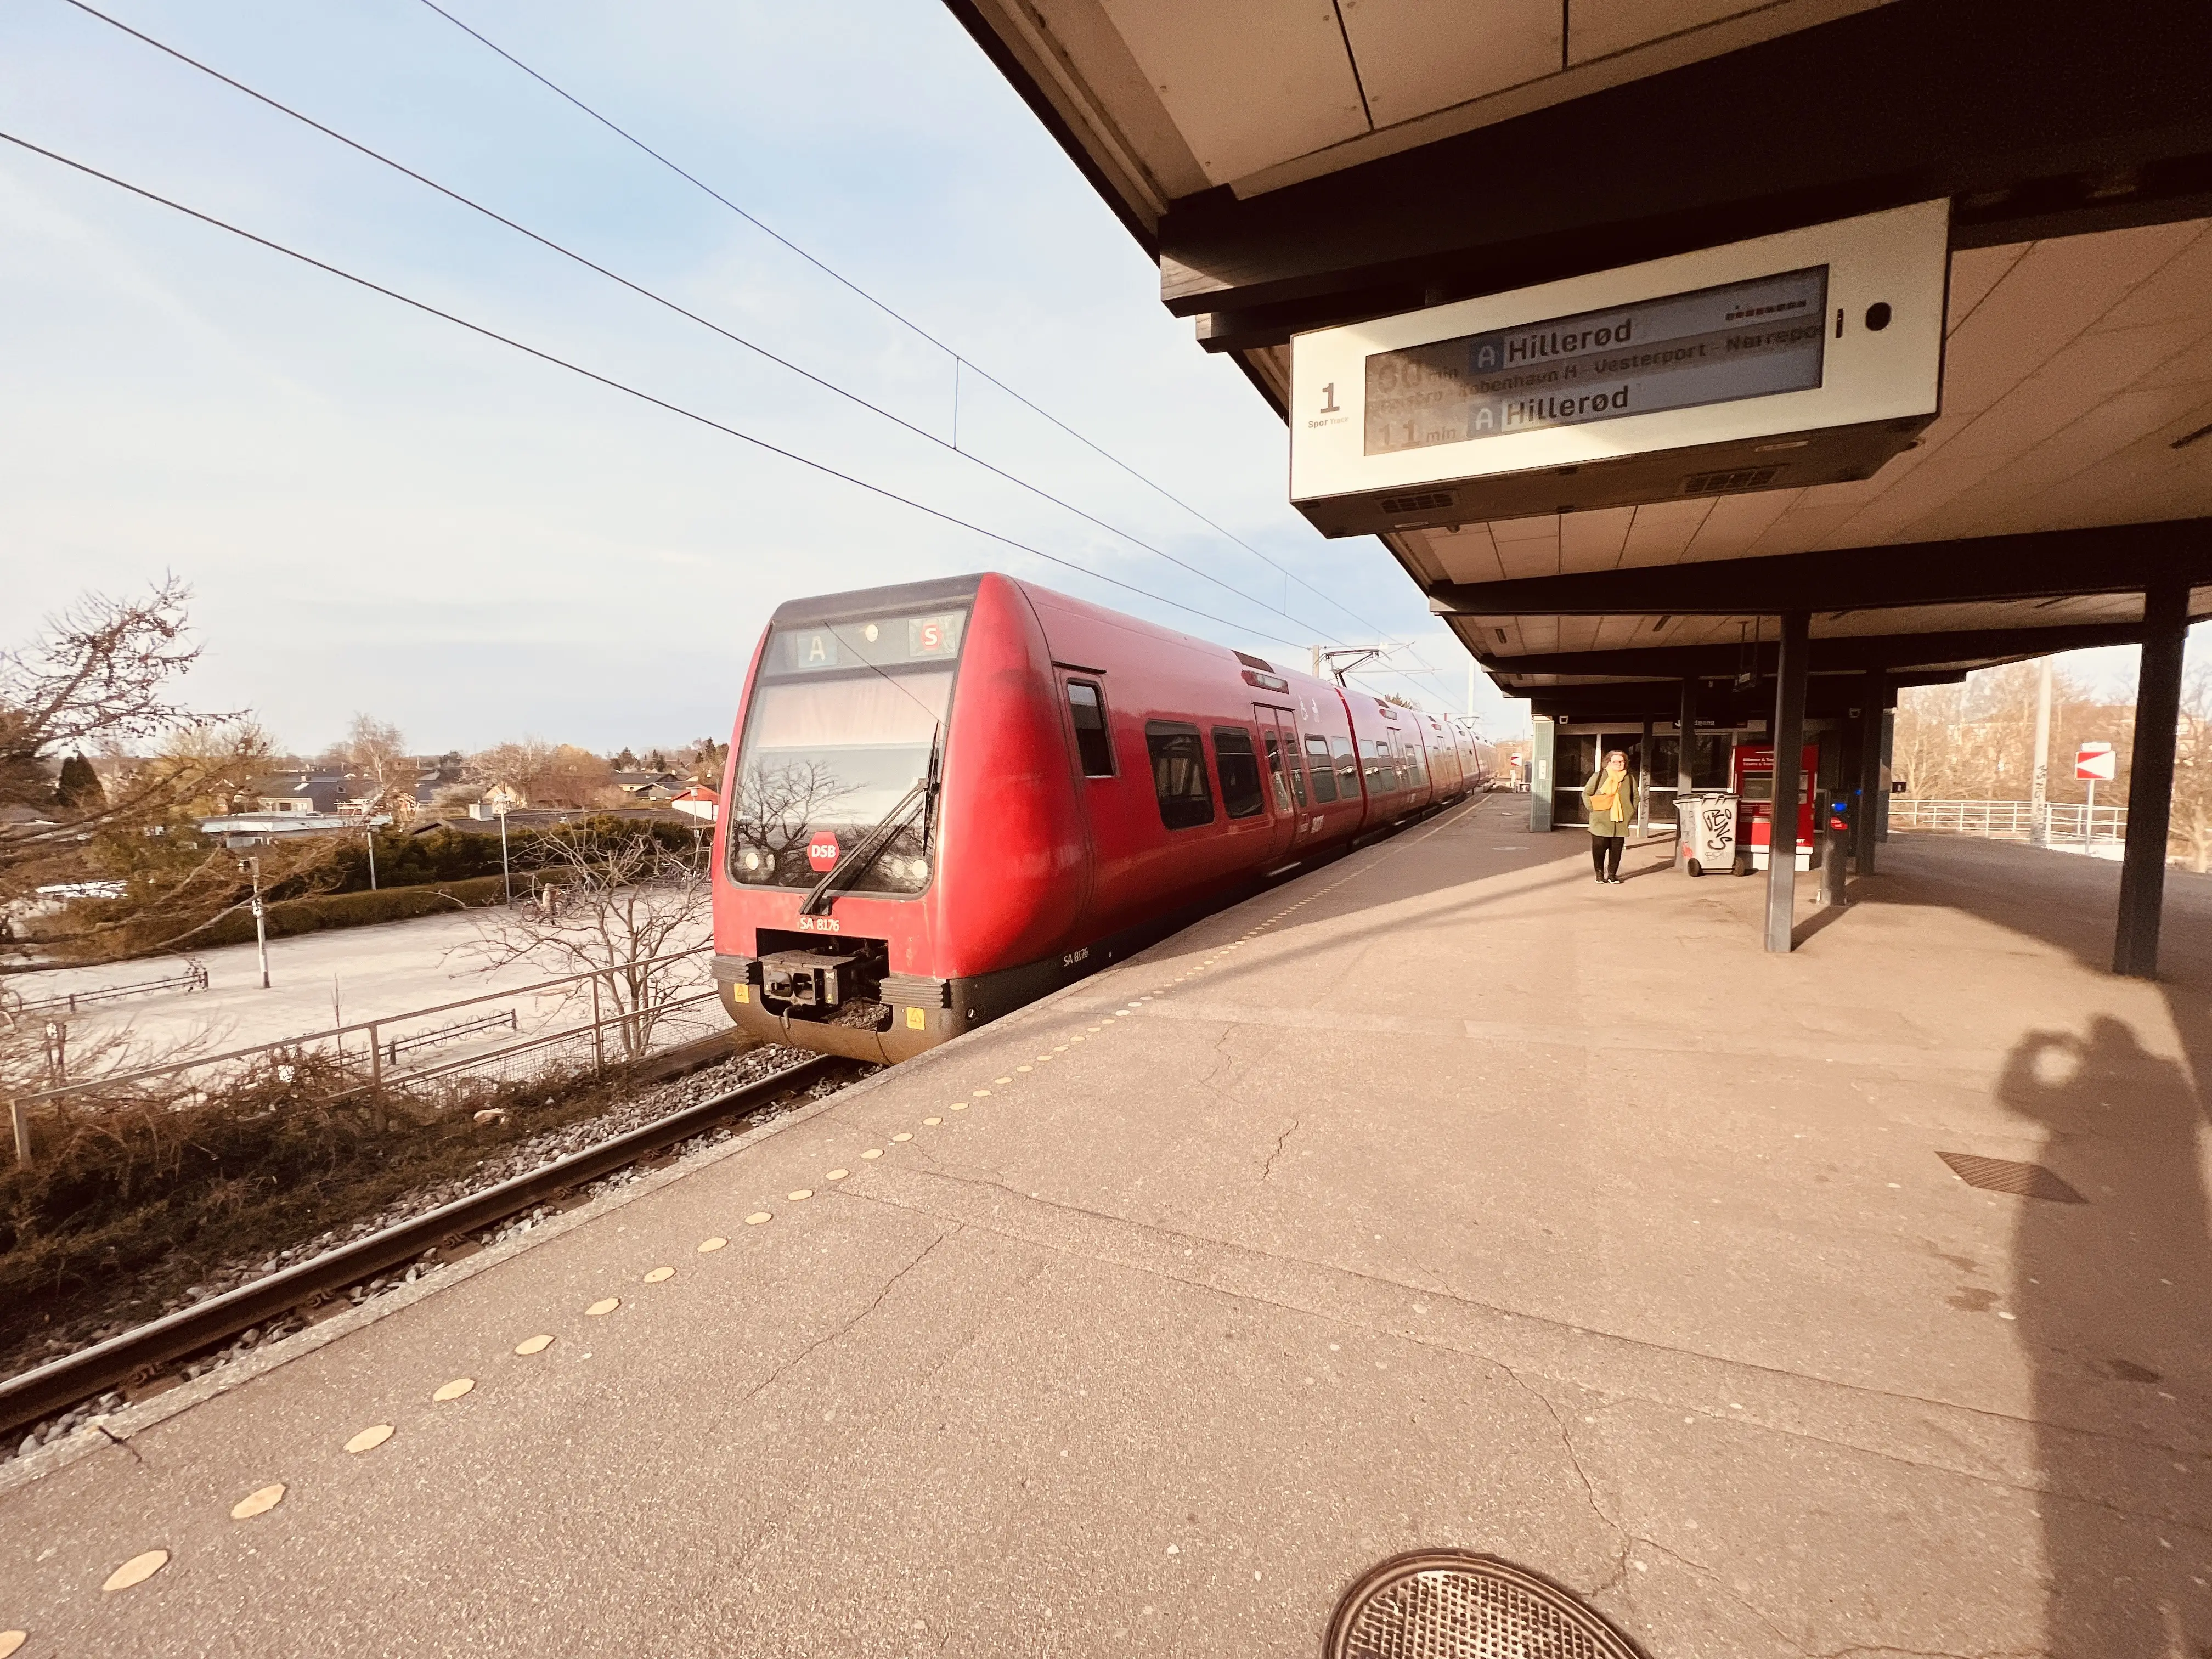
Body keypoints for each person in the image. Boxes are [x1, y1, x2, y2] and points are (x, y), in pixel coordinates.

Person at [1583, 749, 1636, 884]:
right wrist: (1593, 809)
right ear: (1609, 762)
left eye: (1622, 761)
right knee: (1599, 850)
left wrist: (1630, 812)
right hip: (1600, 821)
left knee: (1616, 851)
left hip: (1620, 822)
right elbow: (1586, 793)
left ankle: (1613, 875)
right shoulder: (1600, 776)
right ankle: (1599, 874)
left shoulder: (1629, 778)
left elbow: (1636, 796)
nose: (1619, 764)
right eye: (1616, 761)